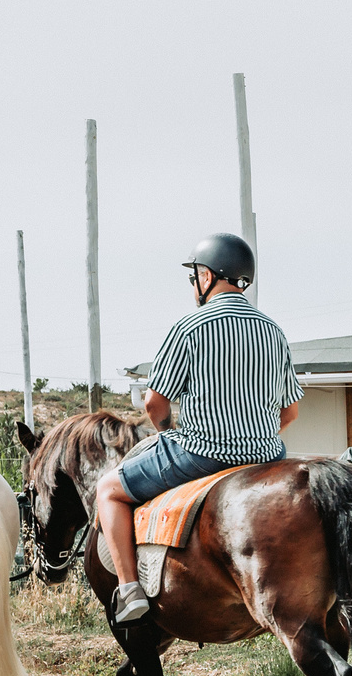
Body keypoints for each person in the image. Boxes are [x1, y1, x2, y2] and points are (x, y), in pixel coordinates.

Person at [95, 232, 301, 625]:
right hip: (265, 454)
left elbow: (155, 404)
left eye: (194, 277)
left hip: (200, 452)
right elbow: (290, 413)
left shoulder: (189, 327)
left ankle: (128, 590)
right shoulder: (273, 330)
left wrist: (167, 428)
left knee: (109, 490)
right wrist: (255, 434)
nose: (194, 285)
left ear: (207, 276)